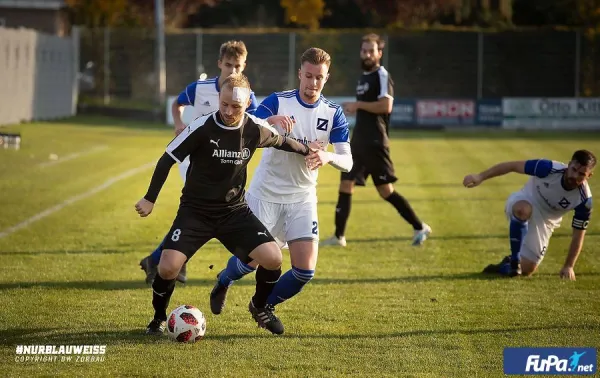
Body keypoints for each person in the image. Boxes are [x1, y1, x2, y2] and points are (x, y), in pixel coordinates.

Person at [135, 74, 317, 336]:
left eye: (236, 106)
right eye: (224, 104)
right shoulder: (202, 127)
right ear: (219, 98)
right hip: (195, 212)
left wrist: (307, 149)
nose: (229, 111)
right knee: (168, 266)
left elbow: (281, 141)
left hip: (234, 213)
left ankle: (260, 306)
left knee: (273, 257)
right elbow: (167, 159)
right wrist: (149, 198)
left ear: (247, 104)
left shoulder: (254, 127)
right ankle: (158, 318)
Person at [208, 47, 353, 316]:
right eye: (308, 76)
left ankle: (263, 306)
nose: (312, 84)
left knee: (304, 271)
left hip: (302, 198)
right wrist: (268, 120)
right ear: (300, 74)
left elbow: (348, 161)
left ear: (326, 78)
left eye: (319, 78)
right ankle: (223, 280)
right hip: (266, 196)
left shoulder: (333, 113)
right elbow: (243, 123)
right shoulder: (278, 101)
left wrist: (326, 156)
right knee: (249, 263)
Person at [139, 40, 258, 285]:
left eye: (238, 66)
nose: (232, 71)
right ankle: (174, 262)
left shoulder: (244, 94)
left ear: (244, 66)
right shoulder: (201, 88)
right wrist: (178, 123)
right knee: (198, 210)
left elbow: (258, 119)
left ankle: (157, 259)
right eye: (228, 65)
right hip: (195, 160)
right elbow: (177, 103)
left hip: (224, 162)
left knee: (201, 213)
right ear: (219, 64)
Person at [321, 33, 431, 248]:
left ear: (379, 53)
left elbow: (385, 106)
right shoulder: (363, 77)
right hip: (359, 141)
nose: (367, 54)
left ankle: (419, 226)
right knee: (345, 184)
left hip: (375, 143)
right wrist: (355, 108)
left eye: (371, 51)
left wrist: (358, 105)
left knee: (385, 191)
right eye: (364, 50)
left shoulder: (382, 75)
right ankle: (339, 236)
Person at [462, 150, 595, 280]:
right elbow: (511, 166)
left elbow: (578, 235)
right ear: (569, 164)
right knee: (523, 210)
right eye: (573, 169)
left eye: (581, 174)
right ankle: (515, 260)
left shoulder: (584, 200)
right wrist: (480, 176)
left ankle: (505, 265)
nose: (575, 176)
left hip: (546, 221)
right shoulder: (547, 168)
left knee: (528, 269)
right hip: (526, 200)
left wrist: (569, 266)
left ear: (589, 176)